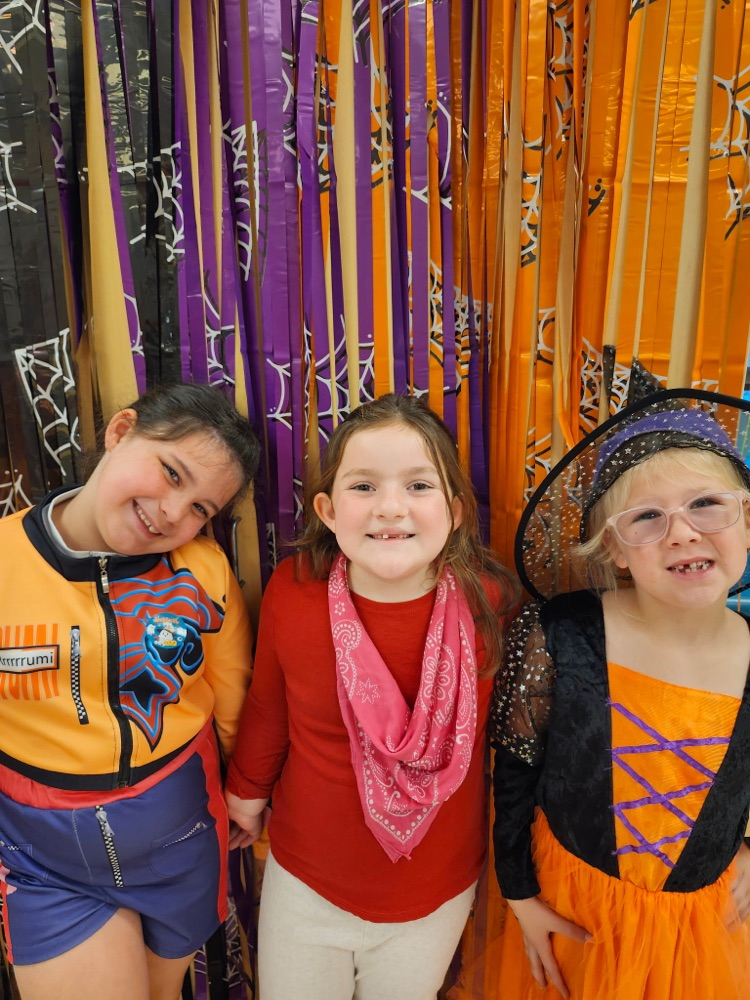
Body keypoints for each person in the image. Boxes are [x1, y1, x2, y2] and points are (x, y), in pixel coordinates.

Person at [225, 393, 519, 1000]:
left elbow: (520, 747)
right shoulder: (295, 589)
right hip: (306, 880)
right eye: (364, 487)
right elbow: (269, 705)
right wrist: (246, 794)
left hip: (433, 890)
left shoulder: (492, 602)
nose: (390, 507)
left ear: (457, 511)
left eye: (418, 486)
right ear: (328, 510)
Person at [0, 382, 260, 1000]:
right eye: (171, 473)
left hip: (180, 837)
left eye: (200, 508)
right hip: (45, 860)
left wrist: (249, 793)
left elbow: (235, 703)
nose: (173, 513)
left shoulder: (204, 571)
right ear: (120, 432)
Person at [491, 389, 750, 1000]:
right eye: (647, 517)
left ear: (746, 517)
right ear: (614, 549)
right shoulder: (557, 632)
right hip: (569, 911)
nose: (683, 533)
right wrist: (519, 893)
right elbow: (513, 772)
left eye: (706, 504)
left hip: (697, 932)